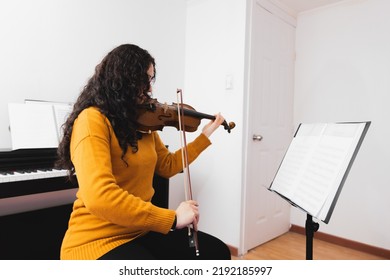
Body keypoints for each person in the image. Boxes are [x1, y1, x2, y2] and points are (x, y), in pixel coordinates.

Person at [56, 43, 231, 260]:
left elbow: (167, 166)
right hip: (98, 240)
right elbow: (100, 197)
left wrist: (204, 136)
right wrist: (173, 219)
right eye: (144, 80)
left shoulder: (141, 123)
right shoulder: (92, 121)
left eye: (150, 80)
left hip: (140, 230)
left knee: (217, 252)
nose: (149, 89)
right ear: (122, 80)